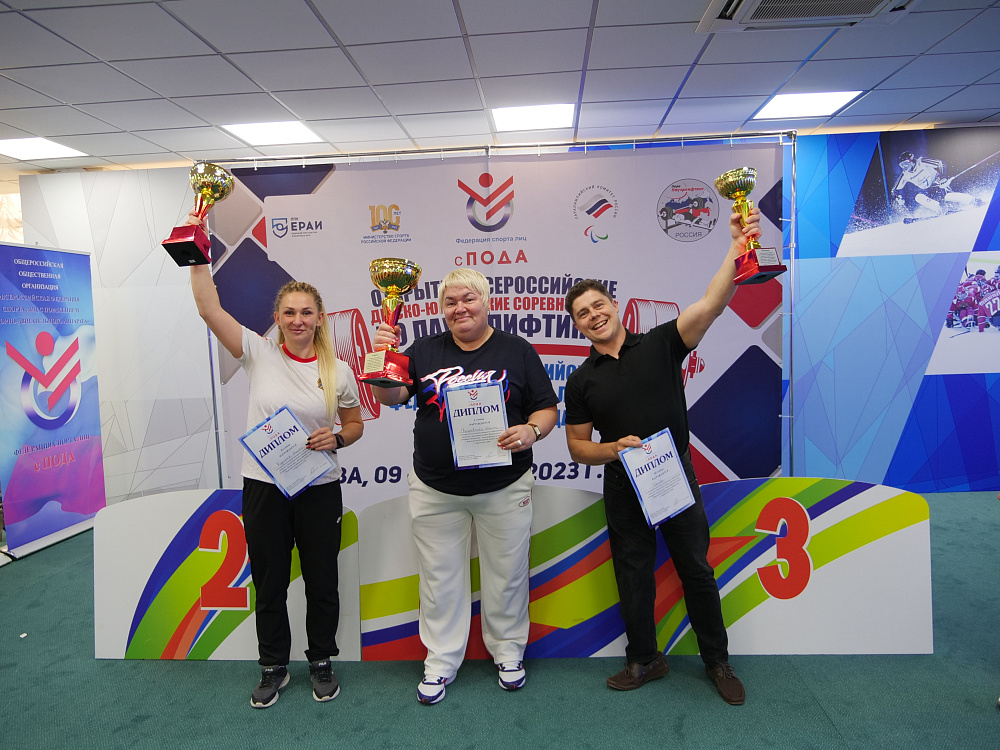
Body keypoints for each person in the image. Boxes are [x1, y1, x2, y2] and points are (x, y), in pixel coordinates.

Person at [562, 206, 763, 706]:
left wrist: (737, 247)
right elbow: (578, 447)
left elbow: (712, 303)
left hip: (674, 478)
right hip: (623, 484)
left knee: (695, 568)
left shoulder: (662, 343)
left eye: (598, 305)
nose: (594, 315)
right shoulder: (581, 381)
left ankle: (717, 660)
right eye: (583, 313)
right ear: (577, 325)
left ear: (615, 305)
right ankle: (644, 659)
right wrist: (612, 448)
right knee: (632, 576)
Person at [188, 214, 364, 709]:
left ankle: (321, 661)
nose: (298, 320)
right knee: (268, 580)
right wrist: (196, 253)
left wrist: (337, 438)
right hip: (264, 487)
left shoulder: (339, 370)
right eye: (289, 312)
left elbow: (355, 425)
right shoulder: (257, 352)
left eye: (307, 312)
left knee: (322, 580)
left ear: (320, 318)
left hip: (318, 487)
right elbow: (208, 307)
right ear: (278, 317)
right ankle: (273, 668)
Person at [370, 268, 558, 705]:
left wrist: (531, 431)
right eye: (451, 302)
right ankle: (440, 660)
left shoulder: (517, 350)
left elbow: (546, 408)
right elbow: (390, 398)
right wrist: (383, 358)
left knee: (507, 575)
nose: (460, 308)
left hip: (504, 485)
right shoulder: (423, 350)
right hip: (436, 489)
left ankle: (508, 653)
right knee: (440, 578)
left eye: (468, 299)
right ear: (441, 309)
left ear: (486, 301)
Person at [891, 151, 979, 218]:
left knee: (947, 196)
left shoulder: (921, 162)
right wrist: (897, 197)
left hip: (937, 183)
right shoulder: (905, 175)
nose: (905, 167)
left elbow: (941, 163)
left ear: (911, 160)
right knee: (918, 197)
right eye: (902, 165)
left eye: (906, 163)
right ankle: (941, 210)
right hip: (926, 190)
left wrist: (943, 177)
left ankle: (973, 200)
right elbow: (894, 190)